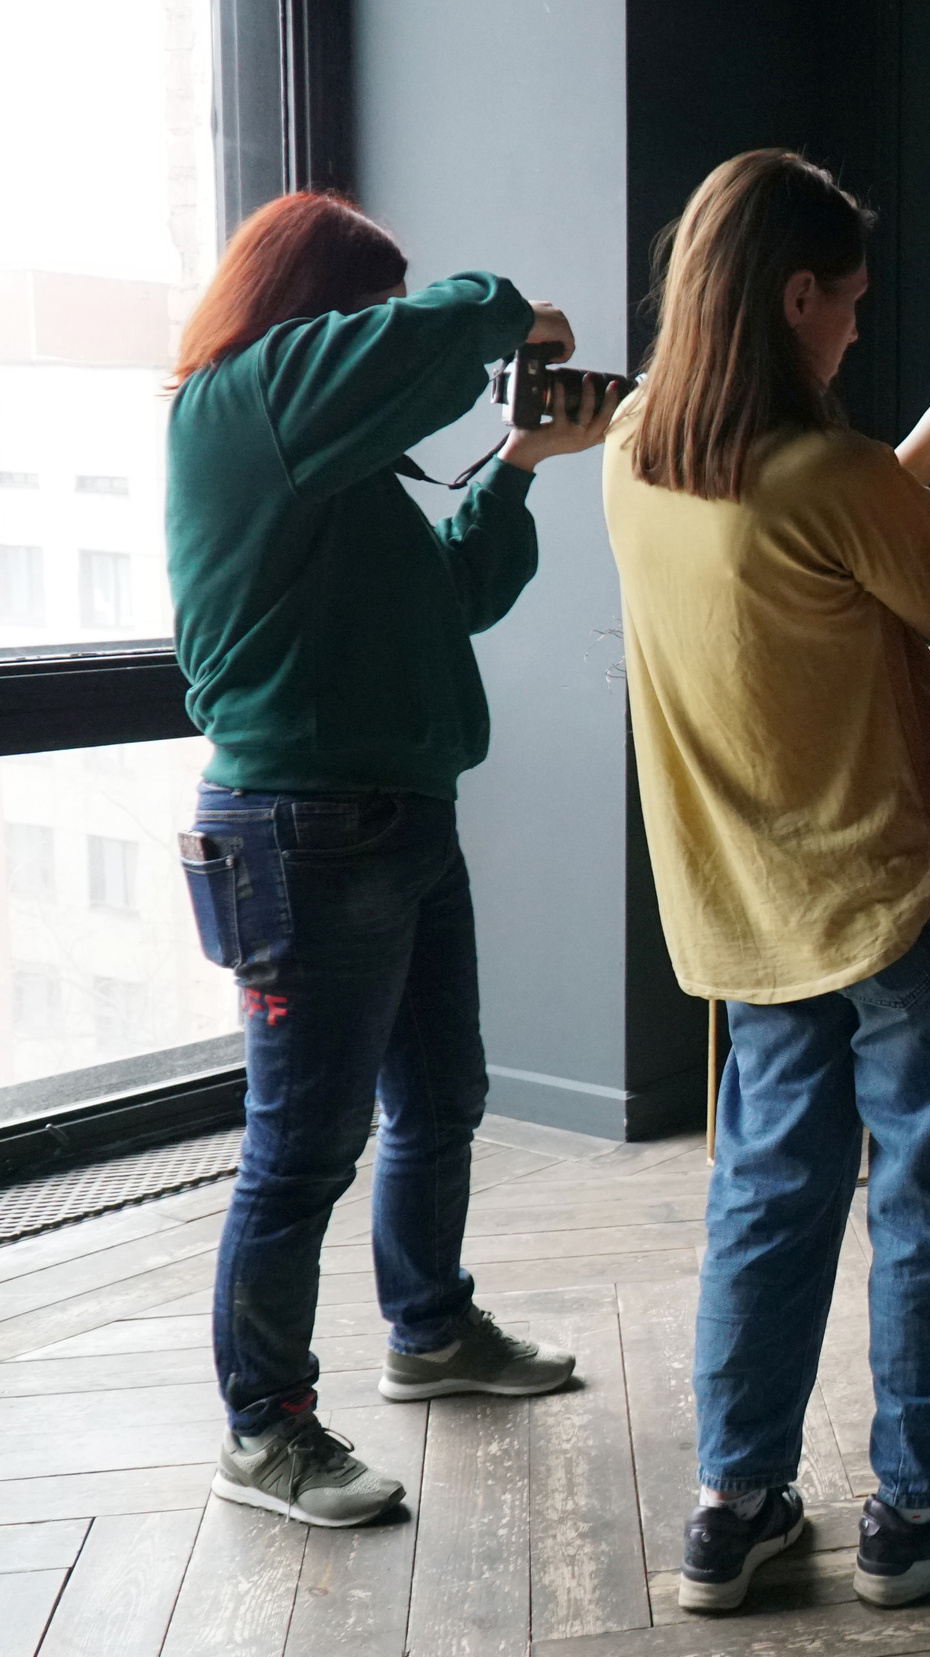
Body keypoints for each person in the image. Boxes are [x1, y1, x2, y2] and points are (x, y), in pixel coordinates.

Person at [599, 148, 930, 1614]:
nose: (855, 322)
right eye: (845, 300)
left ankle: (737, 1500)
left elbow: (813, 539)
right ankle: (913, 1507)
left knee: (767, 1192)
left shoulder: (639, 446)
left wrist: (927, 438)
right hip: (894, 889)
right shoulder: (834, 477)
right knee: (928, 1187)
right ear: (793, 298)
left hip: (742, 906)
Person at [167, 192, 613, 1526]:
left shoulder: (338, 460)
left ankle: (428, 1326)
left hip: (401, 819)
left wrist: (523, 460)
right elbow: (446, 322)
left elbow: (460, 596)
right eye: (364, 309)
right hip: (300, 826)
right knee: (301, 1148)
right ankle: (264, 1425)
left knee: (441, 1097)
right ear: (314, 305)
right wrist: (508, 309)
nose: (381, 334)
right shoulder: (239, 403)